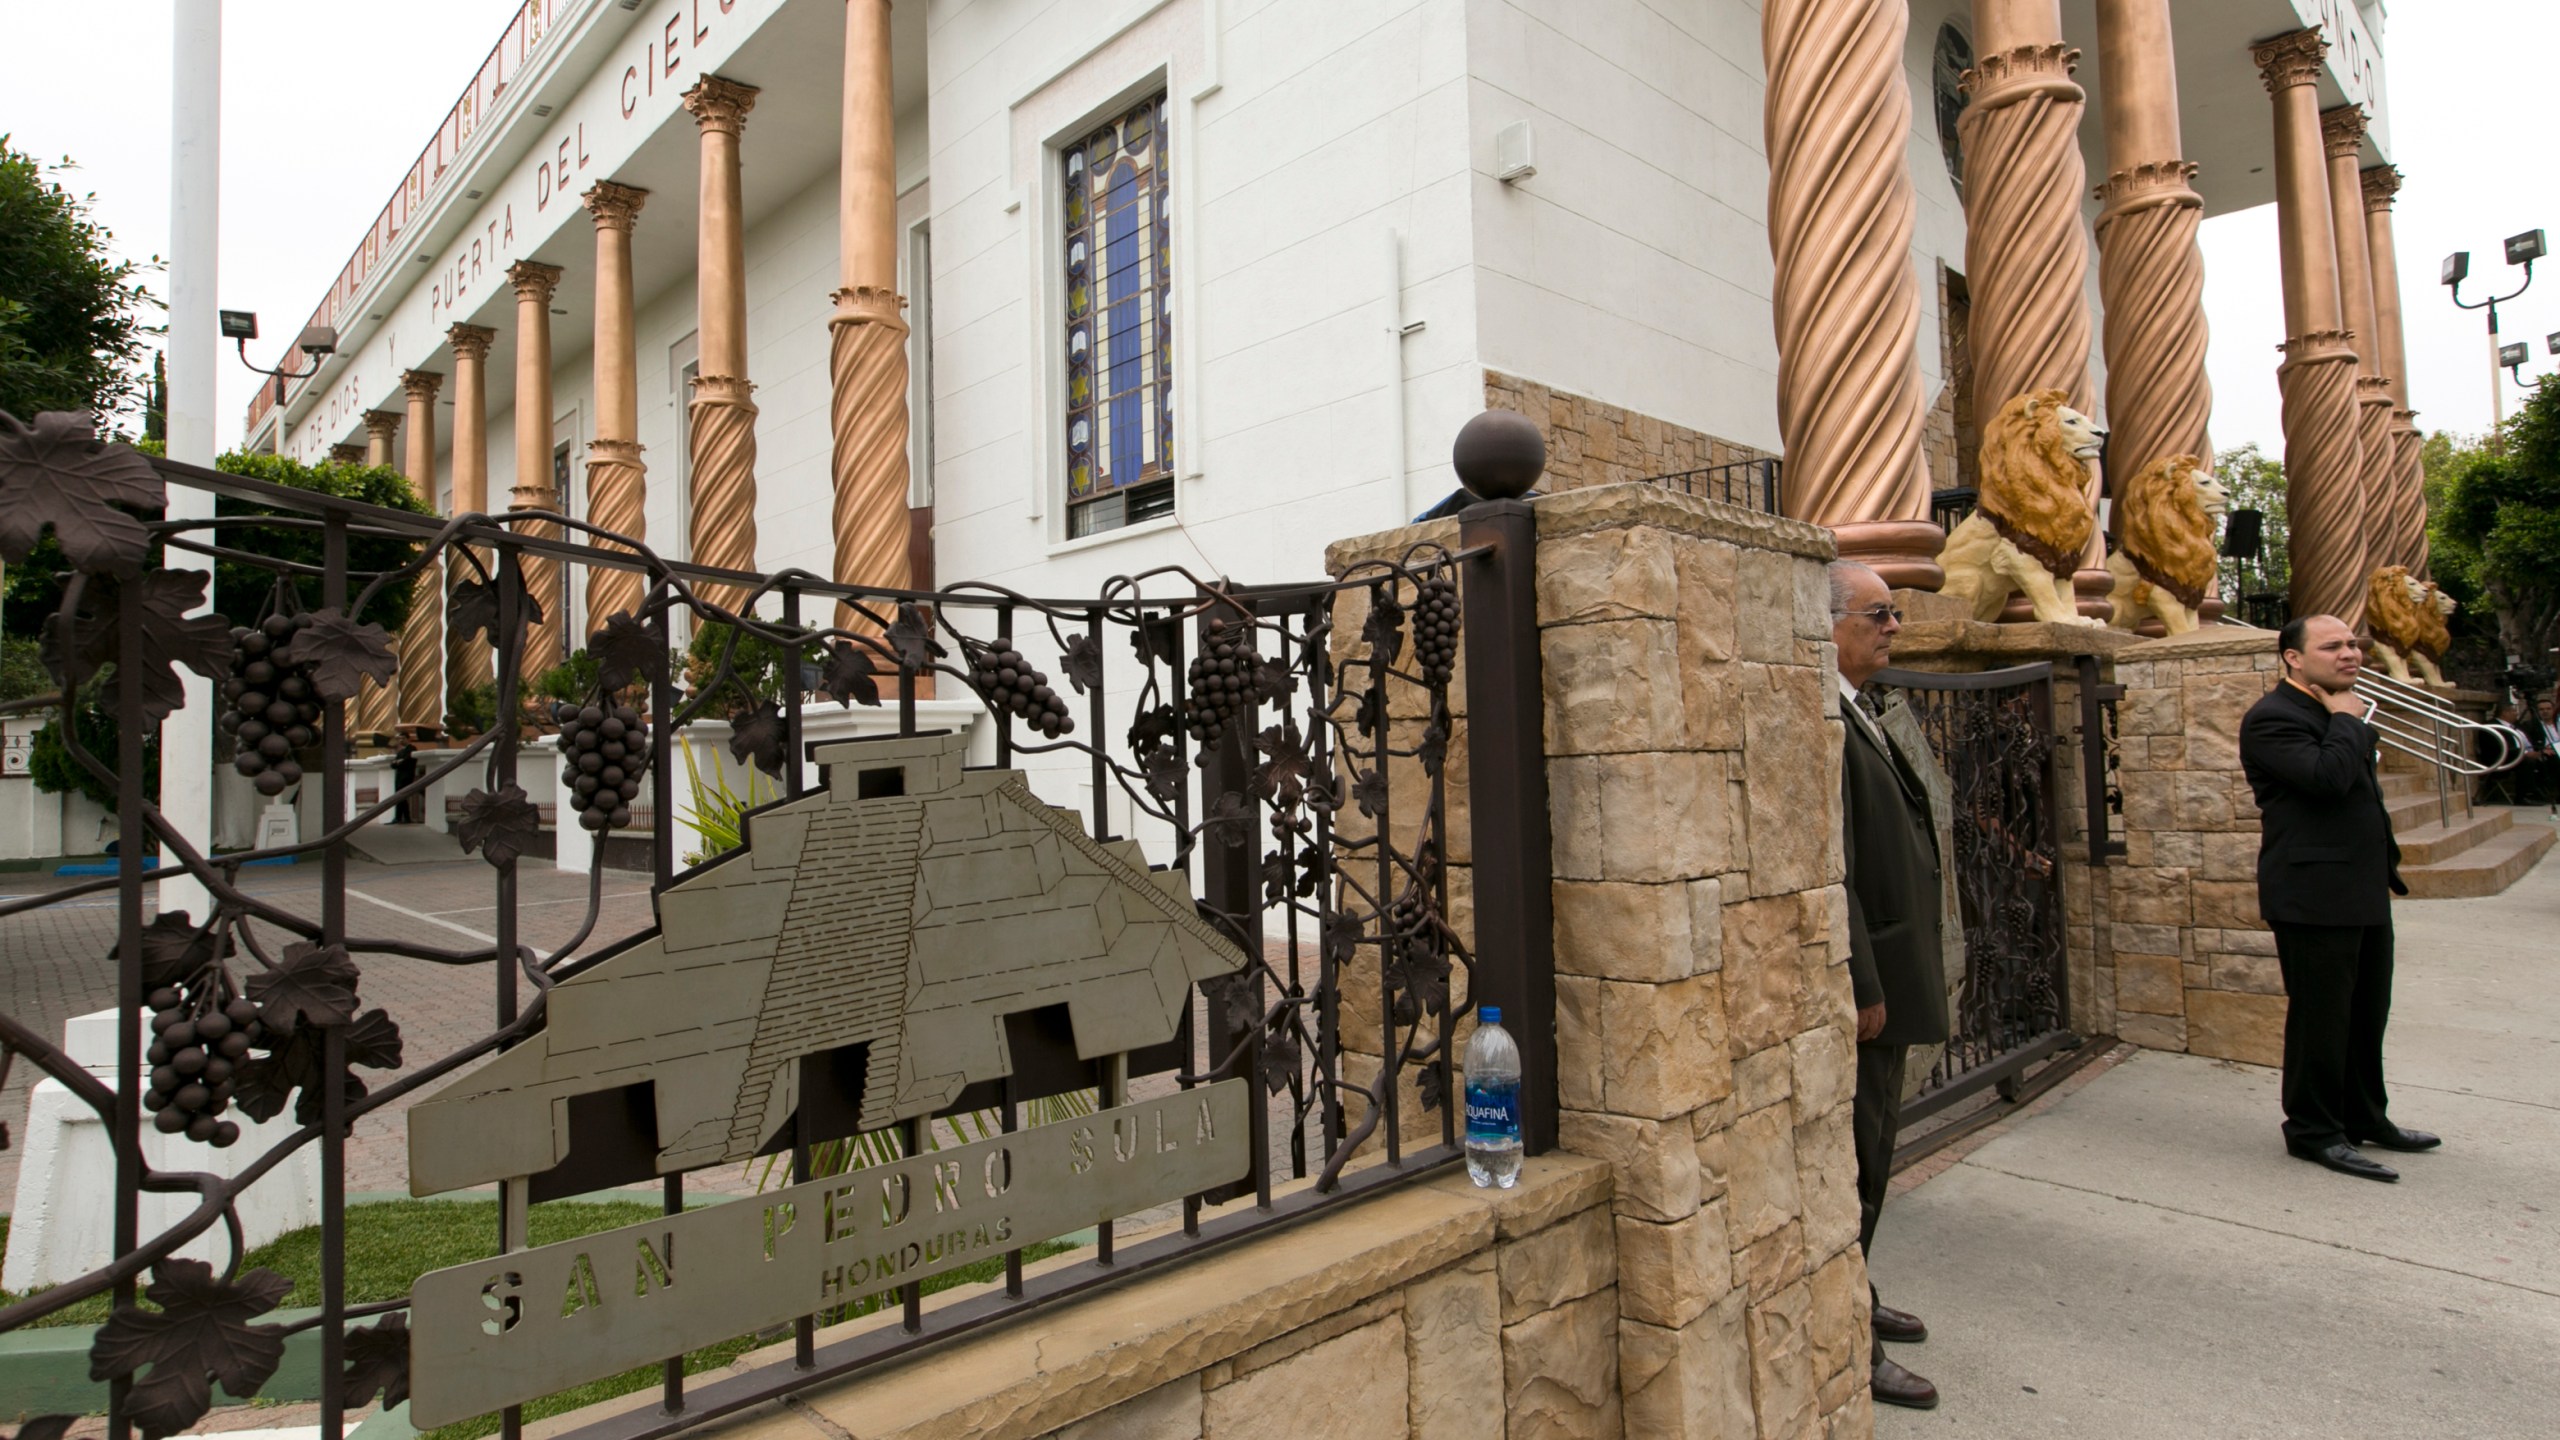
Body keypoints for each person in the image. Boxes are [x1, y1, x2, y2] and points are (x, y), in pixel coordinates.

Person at [2238, 615, 2436, 1182]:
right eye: (2333, 646)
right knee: (2321, 1021)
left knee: (2366, 1014)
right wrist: (2349, 721)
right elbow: (2326, 780)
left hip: (2362, 889)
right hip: (2312, 895)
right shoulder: (2273, 719)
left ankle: (2364, 1117)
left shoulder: (2333, 710)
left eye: (2353, 644)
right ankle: (2314, 1132)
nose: (2350, 653)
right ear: (2294, 659)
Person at [1829, 560, 1950, 1411]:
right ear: (1830, 620)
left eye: (1895, 612)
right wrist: (1862, 980)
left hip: (1901, 968)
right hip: (1872, 982)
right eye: (1879, 612)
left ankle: (1859, 1296)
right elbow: (1832, 862)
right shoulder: (1823, 714)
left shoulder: (1863, 709)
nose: (1894, 626)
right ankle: (1849, 1342)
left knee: (1879, 1151)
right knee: (1860, 1165)